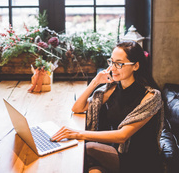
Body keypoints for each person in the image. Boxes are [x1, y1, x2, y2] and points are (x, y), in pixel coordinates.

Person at [51, 41, 164, 173]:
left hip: (138, 161)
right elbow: (78, 108)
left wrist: (77, 134)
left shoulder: (151, 97)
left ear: (136, 66)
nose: (112, 68)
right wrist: (95, 82)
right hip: (111, 153)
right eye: (111, 62)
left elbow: (122, 136)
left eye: (119, 64)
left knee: (86, 149)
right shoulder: (112, 89)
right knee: (93, 170)